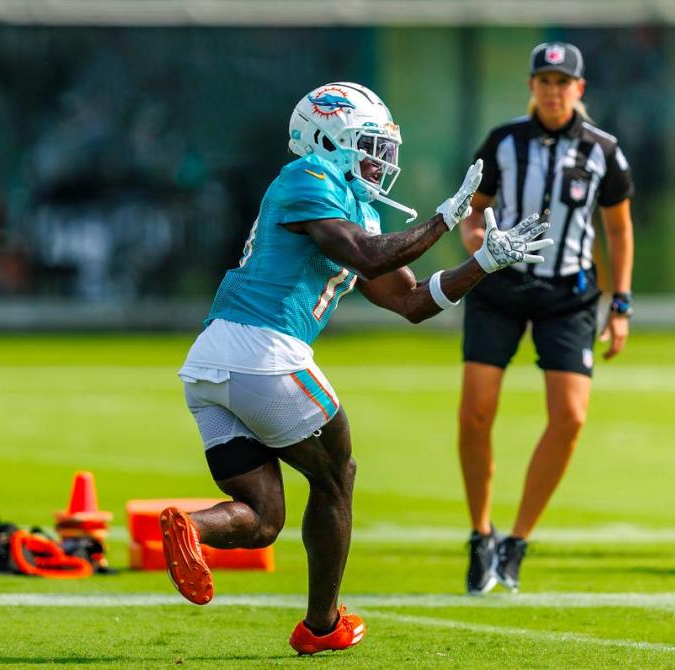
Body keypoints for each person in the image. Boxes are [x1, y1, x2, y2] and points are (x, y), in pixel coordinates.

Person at [161, 82, 552, 654]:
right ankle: (323, 626)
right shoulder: (306, 178)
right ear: (326, 138)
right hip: (264, 352)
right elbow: (369, 256)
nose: (381, 159)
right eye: (368, 145)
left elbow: (411, 300)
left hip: (211, 365)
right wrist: (445, 219)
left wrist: (484, 261)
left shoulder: (351, 204)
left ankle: (190, 528)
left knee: (264, 519)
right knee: (337, 476)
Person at [457, 43, 635, 594]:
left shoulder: (603, 149)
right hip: (502, 286)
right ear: (531, 87)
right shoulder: (504, 141)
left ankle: (517, 540)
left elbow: (619, 230)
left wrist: (621, 304)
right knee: (477, 411)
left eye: (564, 82)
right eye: (545, 81)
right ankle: (481, 533)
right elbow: (475, 208)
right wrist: (478, 240)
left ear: (579, 89)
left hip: (570, 294)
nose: (554, 91)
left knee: (571, 416)